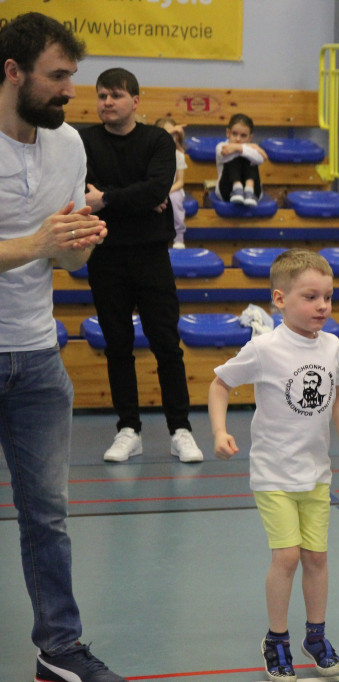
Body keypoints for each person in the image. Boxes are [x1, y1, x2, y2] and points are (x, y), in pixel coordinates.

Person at [0, 13, 127, 682]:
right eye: (57, 77)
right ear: (13, 73)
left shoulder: (70, 146)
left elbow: (67, 264)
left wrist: (79, 247)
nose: (70, 91)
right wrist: (37, 245)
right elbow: (35, 247)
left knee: (47, 517)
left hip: (37, 358)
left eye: (72, 77)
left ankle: (60, 650)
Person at [209, 249, 339, 680]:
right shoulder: (264, 349)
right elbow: (220, 385)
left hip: (316, 474)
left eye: (328, 297)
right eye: (311, 297)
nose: (323, 307)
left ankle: (315, 636)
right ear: (280, 299)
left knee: (316, 556)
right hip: (274, 474)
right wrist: (220, 432)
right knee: (288, 557)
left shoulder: (332, 346)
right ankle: (276, 640)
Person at [80, 68, 204, 464]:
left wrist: (108, 199)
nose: (107, 103)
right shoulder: (83, 141)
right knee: (118, 346)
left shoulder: (157, 140)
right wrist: (134, 199)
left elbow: (156, 188)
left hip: (152, 256)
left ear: (135, 100)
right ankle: (128, 429)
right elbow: (85, 193)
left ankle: (180, 429)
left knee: (167, 345)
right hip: (105, 255)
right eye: (101, 96)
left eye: (115, 95)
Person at [216, 112, 267, 206]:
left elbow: (261, 159)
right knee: (234, 157)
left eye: (243, 136)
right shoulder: (221, 146)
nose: (238, 139)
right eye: (234, 134)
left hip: (254, 193)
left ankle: (249, 189)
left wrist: (239, 148)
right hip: (227, 191)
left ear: (250, 137)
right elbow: (225, 151)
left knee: (250, 158)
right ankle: (237, 187)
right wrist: (249, 147)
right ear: (228, 133)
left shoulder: (250, 149)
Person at [155, 116, 188, 248]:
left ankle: (178, 237)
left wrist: (167, 191)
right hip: (156, 189)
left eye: (173, 135)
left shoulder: (178, 155)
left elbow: (180, 182)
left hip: (173, 189)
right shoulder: (152, 154)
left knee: (174, 200)